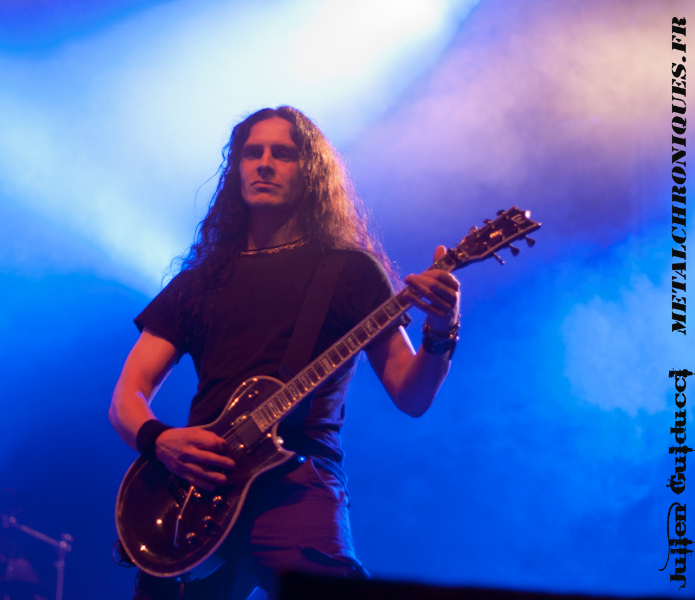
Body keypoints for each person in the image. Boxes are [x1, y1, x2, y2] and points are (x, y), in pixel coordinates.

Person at [109, 106, 460, 600]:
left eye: (283, 154)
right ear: (236, 169)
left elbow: (411, 395)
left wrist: (442, 328)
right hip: (198, 485)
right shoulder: (199, 283)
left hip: (297, 480)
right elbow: (126, 396)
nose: (265, 164)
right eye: (252, 153)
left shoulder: (350, 272)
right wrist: (161, 440)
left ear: (309, 171)